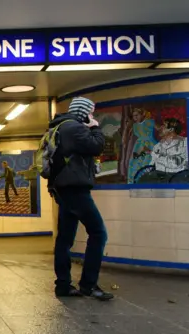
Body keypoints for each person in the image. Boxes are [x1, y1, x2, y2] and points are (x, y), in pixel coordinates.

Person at [47, 96, 113, 301]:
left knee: (65, 238)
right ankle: (88, 284)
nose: (92, 116)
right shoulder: (73, 128)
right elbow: (96, 146)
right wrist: (95, 127)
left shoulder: (59, 128)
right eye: (90, 112)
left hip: (64, 189)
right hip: (75, 189)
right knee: (98, 233)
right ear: (83, 112)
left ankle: (64, 285)